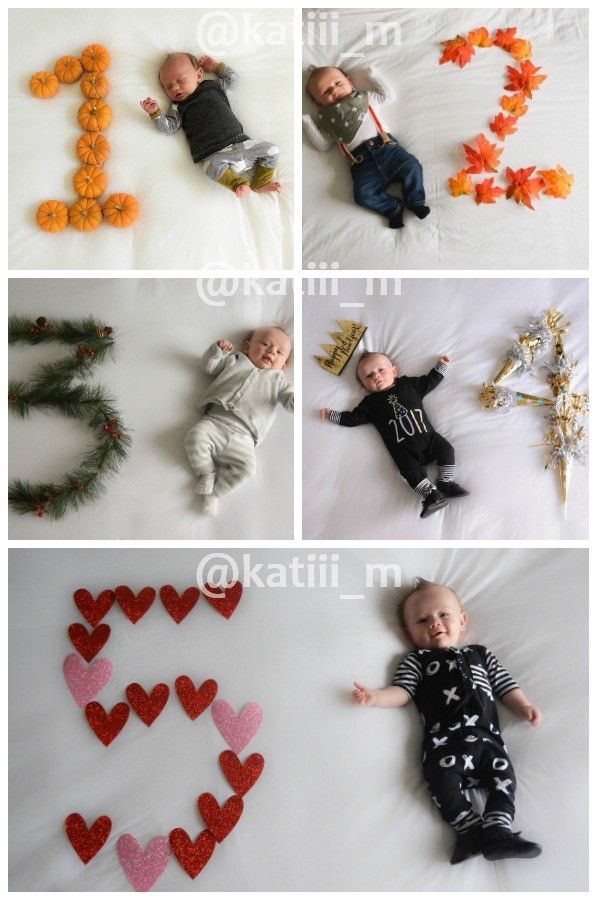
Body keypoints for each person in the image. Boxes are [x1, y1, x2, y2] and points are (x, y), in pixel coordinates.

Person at [353, 577, 543, 865]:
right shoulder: (416, 662)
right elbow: (402, 692)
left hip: (487, 741)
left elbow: (505, 685)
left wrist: (524, 705)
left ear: (462, 620)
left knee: (504, 780)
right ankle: (468, 830)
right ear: (408, 634)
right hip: (445, 744)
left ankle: (498, 829)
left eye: (444, 614)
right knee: (440, 781)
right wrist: (376, 697)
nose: (434, 623)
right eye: (422, 620)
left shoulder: (480, 654)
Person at [320, 351, 468, 518]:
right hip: (403, 451)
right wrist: (333, 415)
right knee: (409, 472)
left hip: (428, 438)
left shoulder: (409, 386)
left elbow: (429, 382)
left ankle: (445, 484)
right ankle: (432, 495)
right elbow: (353, 418)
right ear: (363, 386)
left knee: (446, 450)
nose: (376, 376)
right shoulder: (370, 404)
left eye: (380, 370)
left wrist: (441, 366)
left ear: (394, 371)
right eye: (369, 376)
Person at [184, 326, 293, 515]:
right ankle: (206, 472)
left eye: (279, 352)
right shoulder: (235, 361)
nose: (270, 352)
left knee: (248, 468)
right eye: (265, 344)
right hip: (216, 421)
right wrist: (217, 350)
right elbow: (208, 366)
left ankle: (215, 494)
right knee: (194, 437)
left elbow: (289, 400)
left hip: (245, 437)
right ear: (246, 346)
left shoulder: (279, 381)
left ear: (283, 367)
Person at [303, 66, 429, 227]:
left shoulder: (366, 98)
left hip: (388, 149)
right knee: (363, 195)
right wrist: (308, 124)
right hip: (361, 164)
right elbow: (323, 145)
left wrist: (374, 76)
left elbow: (388, 96)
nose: (334, 91)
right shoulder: (328, 121)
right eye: (326, 92)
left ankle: (416, 201)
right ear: (318, 103)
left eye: (338, 83)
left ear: (349, 81)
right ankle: (392, 209)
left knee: (412, 167)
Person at [141, 52, 280, 196]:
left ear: (199, 75)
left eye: (181, 80)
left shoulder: (213, 87)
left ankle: (260, 183)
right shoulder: (178, 106)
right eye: (168, 87)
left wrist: (216, 67)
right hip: (216, 155)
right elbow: (168, 128)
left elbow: (233, 79)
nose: (175, 88)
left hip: (242, 144)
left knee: (272, 149)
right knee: (209, 166)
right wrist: (155, 113)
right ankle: (238, 185)